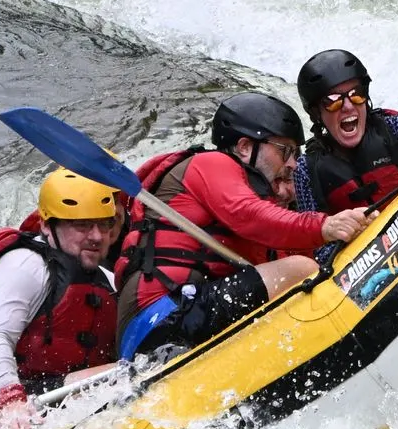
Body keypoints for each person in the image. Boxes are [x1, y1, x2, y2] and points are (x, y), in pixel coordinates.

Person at [116, 92, 372, 358]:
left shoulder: (257, 202)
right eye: (285, 151)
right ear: (245, 147)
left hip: (180, 314)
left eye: (296, 153)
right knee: (300, 269)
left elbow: (292, 253)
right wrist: (326, 226)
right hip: (160, 317)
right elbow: (250, 216)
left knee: (308, 271)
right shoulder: (210, 164)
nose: (293, 164)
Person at [0, 169, 125, 429]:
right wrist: (9, 398)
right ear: (47, 226)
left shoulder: (108, 280)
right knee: (116, 374)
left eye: (103, 224)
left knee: (126, 370)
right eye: (82, 225)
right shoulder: (23, 266)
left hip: (57, 394)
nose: (96, 236)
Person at [293, 49, 398, 215]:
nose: (348, 106)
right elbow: (314, 233)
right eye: (333, 101)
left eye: (356, 94)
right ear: (316, 113)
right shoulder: (306, 171)